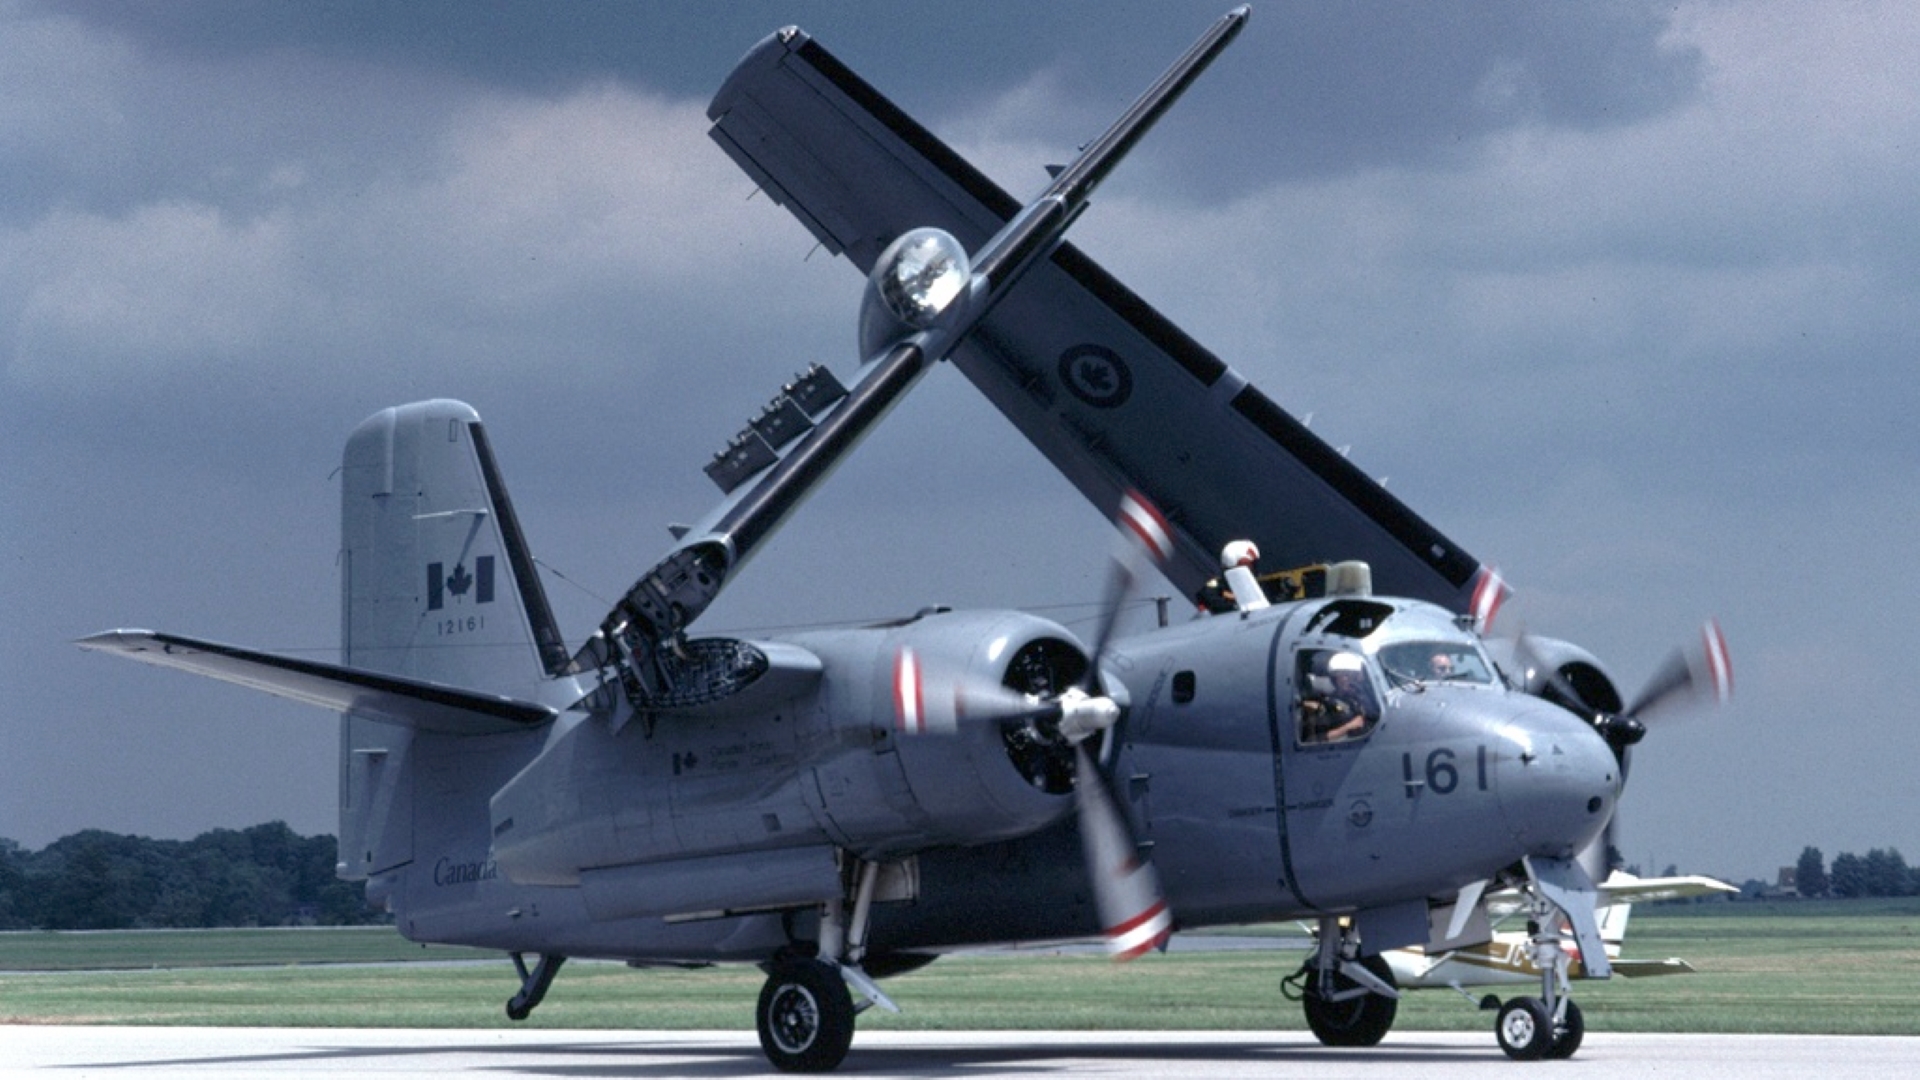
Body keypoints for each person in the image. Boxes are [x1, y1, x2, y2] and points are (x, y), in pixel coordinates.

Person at [1301, 652, 1376, 743]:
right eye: (1343, 675)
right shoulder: (1327, 705)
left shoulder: (1360, 698)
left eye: (1351, 675)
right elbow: (1315, 740)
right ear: (1334, 677)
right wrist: (1349, 727)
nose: (1348, 679)